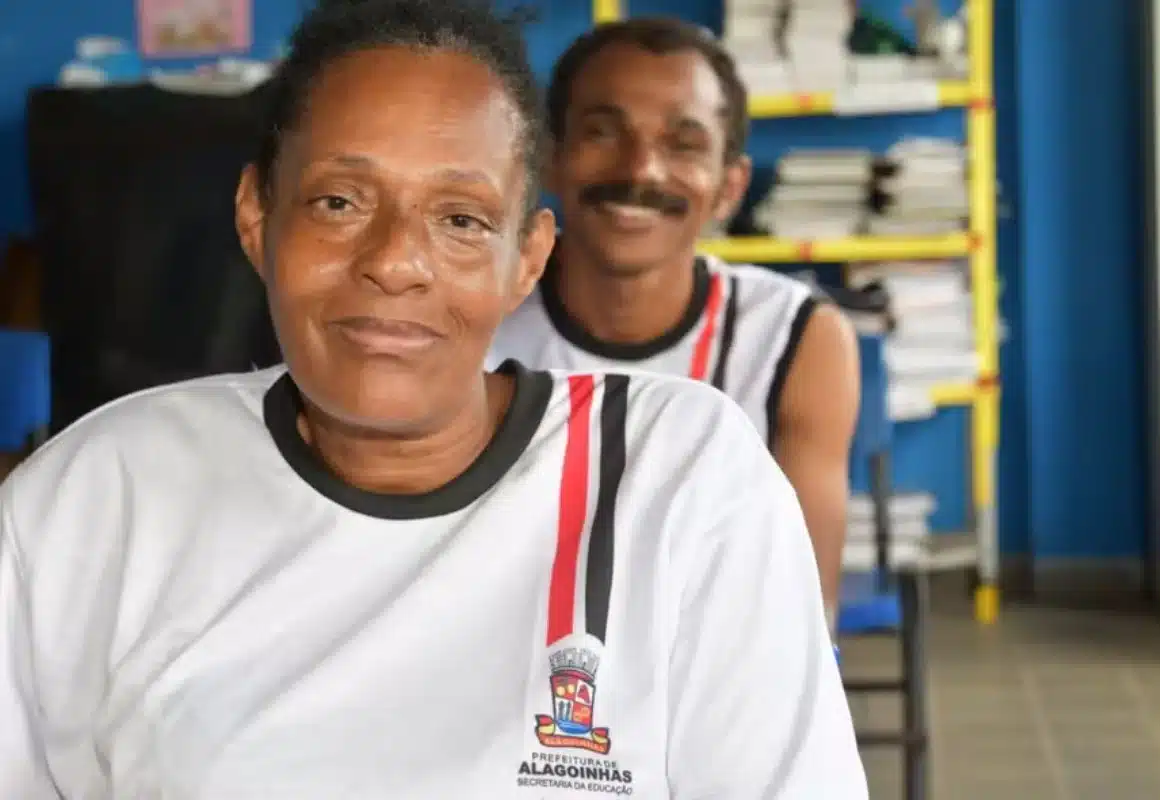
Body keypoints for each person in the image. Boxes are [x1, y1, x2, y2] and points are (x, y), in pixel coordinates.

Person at [0, 1, 867, 797]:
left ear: (526, 258)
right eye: (339, 201)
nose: (395, 260)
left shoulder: (679, 477)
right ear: (258, 218)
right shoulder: (94, 496)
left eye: (460, 219)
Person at [489, 18, 861, 628]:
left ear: (729, 188)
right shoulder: (477, 316)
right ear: (549, 158)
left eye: (683, 144)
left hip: (708, 677)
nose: (642, 170)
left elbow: (802, 611)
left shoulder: (797, 338)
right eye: (603, 132)